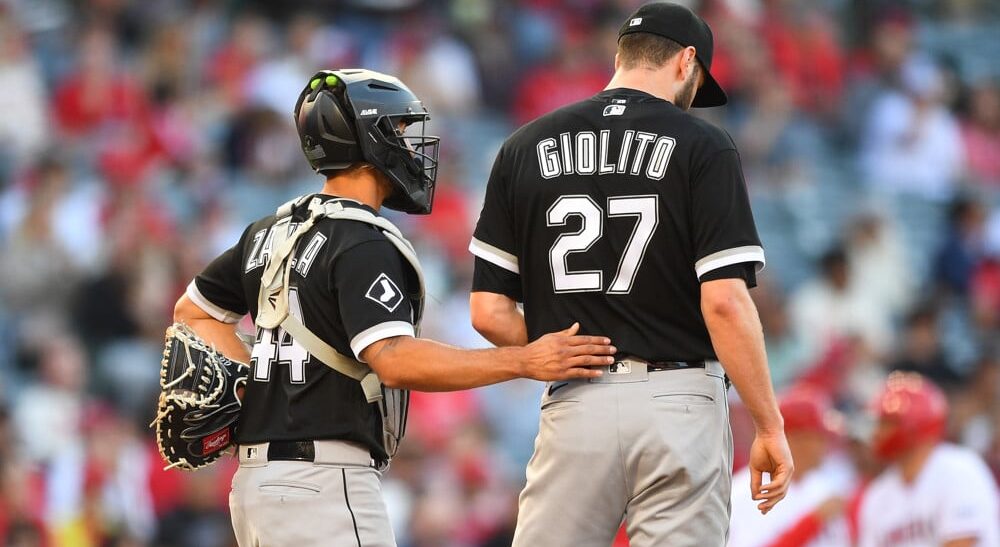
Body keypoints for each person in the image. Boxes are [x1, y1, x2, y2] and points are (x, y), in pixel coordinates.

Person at [172, 69, 616, 547]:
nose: (410, 146)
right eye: (400, 131)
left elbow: (193, 313)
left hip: (257, 485)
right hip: (323, 482)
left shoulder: (269, 230)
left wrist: (250, 380)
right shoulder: (363, 240)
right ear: (368, 138)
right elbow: (394, 359)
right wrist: (523, 360)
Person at [467, 3, 793, 545]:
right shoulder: (704, 144)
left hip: (577, 399)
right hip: (679, 398)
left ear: (621, 57)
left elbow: (488, 310)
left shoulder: (523, 146)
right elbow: (724, 303)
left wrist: (568, 352)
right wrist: (769, 425)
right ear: (687, 60)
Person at [858, 372, 1000, 547]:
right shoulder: (877, 495)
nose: (877, 432)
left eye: (887, 423)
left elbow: (961, 543)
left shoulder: (960, 469)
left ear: (914, 426)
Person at [729, 388, 856, 547]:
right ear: (795, 440)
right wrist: (812, 522)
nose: (825, 445)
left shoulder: (822, 487)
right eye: (819, 438)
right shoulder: (747, 492)